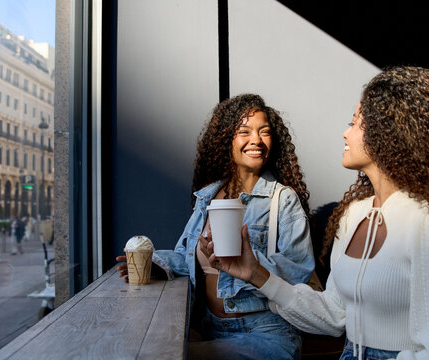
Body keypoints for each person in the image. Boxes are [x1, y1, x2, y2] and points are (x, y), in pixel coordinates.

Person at [200, 66, 429, 360]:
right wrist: (256, 274)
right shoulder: (353, 215)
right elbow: (335, 314)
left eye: (355, 123)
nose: (345, 133)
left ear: (389, 133)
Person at [116, 94, 315, 360]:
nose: (256, 140)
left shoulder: (282, 200)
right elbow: (187, 257)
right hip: (212, 329)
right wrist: (156, 263)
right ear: (225, 140)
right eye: (244, 132)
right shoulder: (207, 198)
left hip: (265, 332)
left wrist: (248, 263)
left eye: (264, 132)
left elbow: (298, 271)